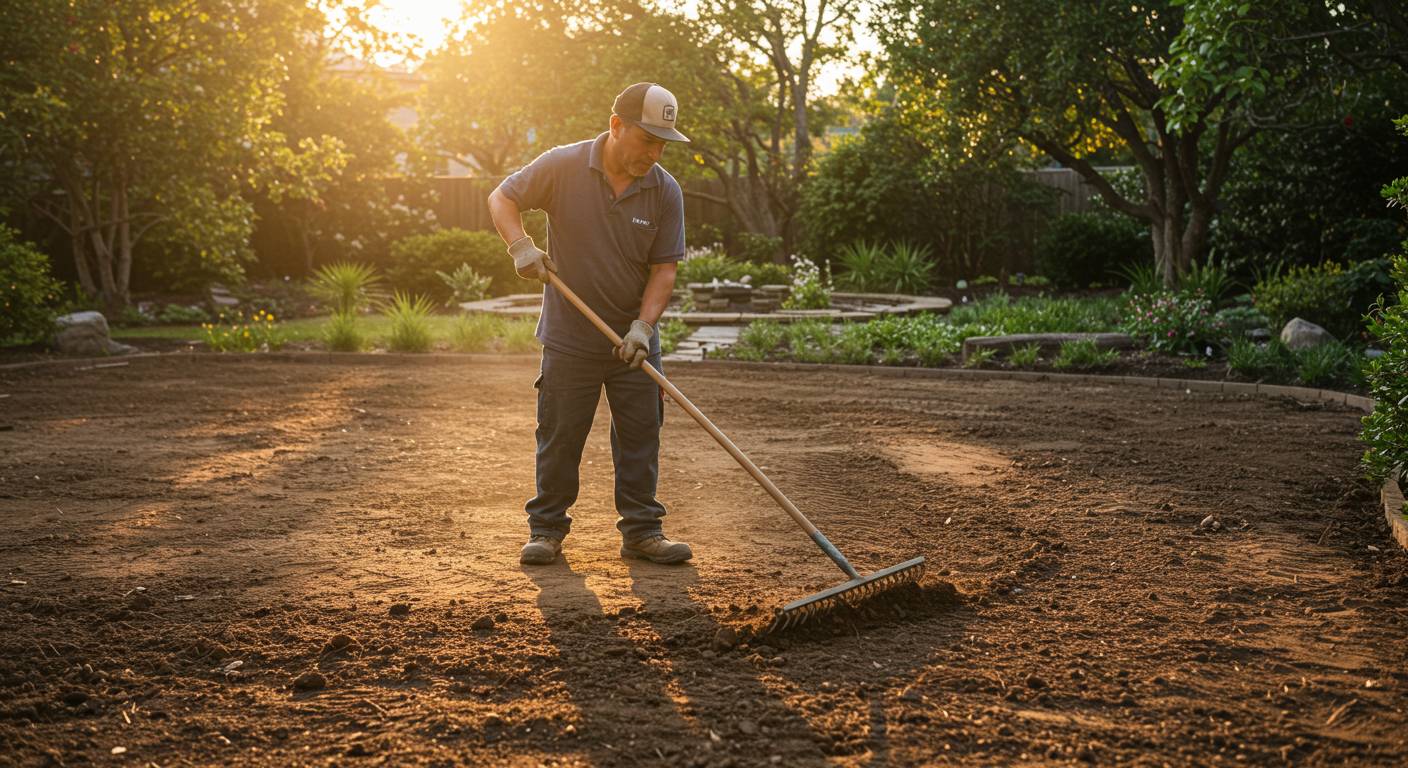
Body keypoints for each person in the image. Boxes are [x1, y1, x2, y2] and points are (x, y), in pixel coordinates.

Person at [487, 82, 693, 566]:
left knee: (641, 436)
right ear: (616, 126)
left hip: (633, 341)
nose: (655, 153)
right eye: (647, 139)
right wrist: (521, 246)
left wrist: (643, 328)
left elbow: (664, 269)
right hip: (570, 338)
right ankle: (546, 530)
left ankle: (642, 532)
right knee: (560, 437)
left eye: (663, 144)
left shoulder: (664, 190)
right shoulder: (563, 166)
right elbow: (502, 197)